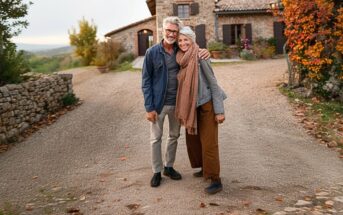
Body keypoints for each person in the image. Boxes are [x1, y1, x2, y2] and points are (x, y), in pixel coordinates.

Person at [142, 17, 209, 188]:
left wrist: (207, 52)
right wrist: (149, 107)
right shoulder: (152, 53)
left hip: (178, 102)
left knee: (174, 136)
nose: (171, 34)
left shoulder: (181, 50)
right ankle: (156, 171)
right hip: (158, 104)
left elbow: (194, 50)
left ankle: (168, 167)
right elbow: (146, 81)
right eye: (168, 31)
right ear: (162, 31)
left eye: (174, 31)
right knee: (156, 138)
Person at [175, 26, 226, 194]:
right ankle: (204, 167)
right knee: (193, 140)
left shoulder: (200, 56)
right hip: (191, 106)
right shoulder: (180, 58)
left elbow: (213, 83)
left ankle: (215, 179)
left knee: (209, 142)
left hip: (207, 104)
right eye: (180, 40)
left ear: (193, 41)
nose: (183, 43)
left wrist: (219, 111)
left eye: (186, 40)